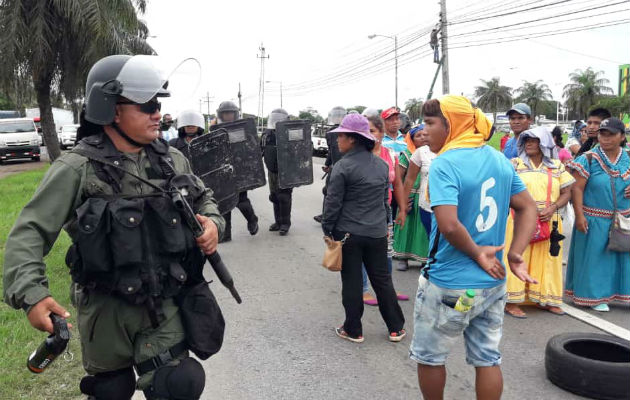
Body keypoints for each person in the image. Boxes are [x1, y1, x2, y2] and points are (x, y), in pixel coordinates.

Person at [2, 55, 225, 399]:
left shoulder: (171, 160)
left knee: (181, 383)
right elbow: (29, 231)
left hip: (163, 301)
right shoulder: (77, 167)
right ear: (112, 109)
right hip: (106, 308)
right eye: (146, 104)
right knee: (110, 391)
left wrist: (213, 223)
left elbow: (203, 198)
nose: (157, 113)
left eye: (158, 104)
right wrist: (33, 294)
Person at [409, 95, 537, 400]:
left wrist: (477, 252)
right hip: (493, 283)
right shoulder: (498, 159)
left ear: (453, 124)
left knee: (430, 357)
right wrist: (515, 253)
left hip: (449, 284)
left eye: (430, 123)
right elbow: (528, 208)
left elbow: (449, 225)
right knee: (487, 358)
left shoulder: (445, 164)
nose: (423, 131)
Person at [322, 114, 406, 344]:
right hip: (377, 232)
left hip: (349, 234)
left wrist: (328, 230)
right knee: (382, 280)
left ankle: (353, 329)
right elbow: (383, 201)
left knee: (352, 281)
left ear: (353, 139)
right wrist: (384, 226)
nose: (338, 140)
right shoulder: (381, 165)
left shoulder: (342, 167)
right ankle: (396, 328)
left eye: (341, 136)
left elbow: (332, 204)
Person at [503, 127, 575, 318]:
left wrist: (553, 207)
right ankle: (512, 301)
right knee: (519, 255)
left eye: (534, 140)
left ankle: (546, 299)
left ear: (544, 143)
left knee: (549, 259)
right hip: (519, 219)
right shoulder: (515, 164)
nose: (529, 143)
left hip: (548, 218)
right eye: (526, 140)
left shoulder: (557, 166)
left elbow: (567, 192)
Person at [566, 117, 630, 312]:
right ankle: (593, 297)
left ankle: (620, 293)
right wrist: (579, 216)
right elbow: (576, 189)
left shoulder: (628, 158)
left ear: (622, 136)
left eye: (611, 134)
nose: (606, 138)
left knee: (622, 258)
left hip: (623, 218)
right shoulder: (589, 158)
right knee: (595, 259)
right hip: (594, 217)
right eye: (603, 134)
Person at [361, 114, 408, 305]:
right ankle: (363, 290)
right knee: (364, 253)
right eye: (365, 131)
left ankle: (387, 290)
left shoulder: (390, 154)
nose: (369, 135)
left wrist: (403, 210)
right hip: (362, 212)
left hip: (384, 209)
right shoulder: (359, 155)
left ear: (381, 133)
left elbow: (397, 184)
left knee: (386, 252)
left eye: (372, 131)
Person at [213, 100, 259, 242]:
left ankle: (252, 220)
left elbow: (251, 146)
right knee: (225, 202)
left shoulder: (244, 127)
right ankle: (226, 233)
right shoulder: (215, 129)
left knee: (241, 200)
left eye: (230, 113)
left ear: (235, 114)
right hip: (223, 169)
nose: (228, 116)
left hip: (240, 167)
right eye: (225, 113)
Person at [392, 124, 433, 271]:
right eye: (418, 135)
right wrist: (402, 201)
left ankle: (424, 259)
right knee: (406, 227)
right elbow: (399, 179)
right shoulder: (407, 155)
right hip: (409, 196)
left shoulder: (432, 154)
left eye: (425, 134)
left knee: (423, 229)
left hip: (425, 197)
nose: (422, 137)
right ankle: (402, 258)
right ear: (411, 139)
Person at [260, 108, 293, 235]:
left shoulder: (289, 132)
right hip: (272, 171)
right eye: (274, 119)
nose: (275, 122)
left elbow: (301, 148)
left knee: (284, 197)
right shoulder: (266, 134)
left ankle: (285, 223)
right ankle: (278, 222)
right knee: (274, 197)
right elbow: (259, 151)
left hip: (286, 171)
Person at [314, 106, 346, 223]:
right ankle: (326, 215)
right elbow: (331, 151)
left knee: (331, 192)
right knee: (329, 192)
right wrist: (328, 164)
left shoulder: (333, 132)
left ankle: (329, 216)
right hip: (338, 167)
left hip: (341, 167)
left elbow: (332, 151)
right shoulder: (333, 132)